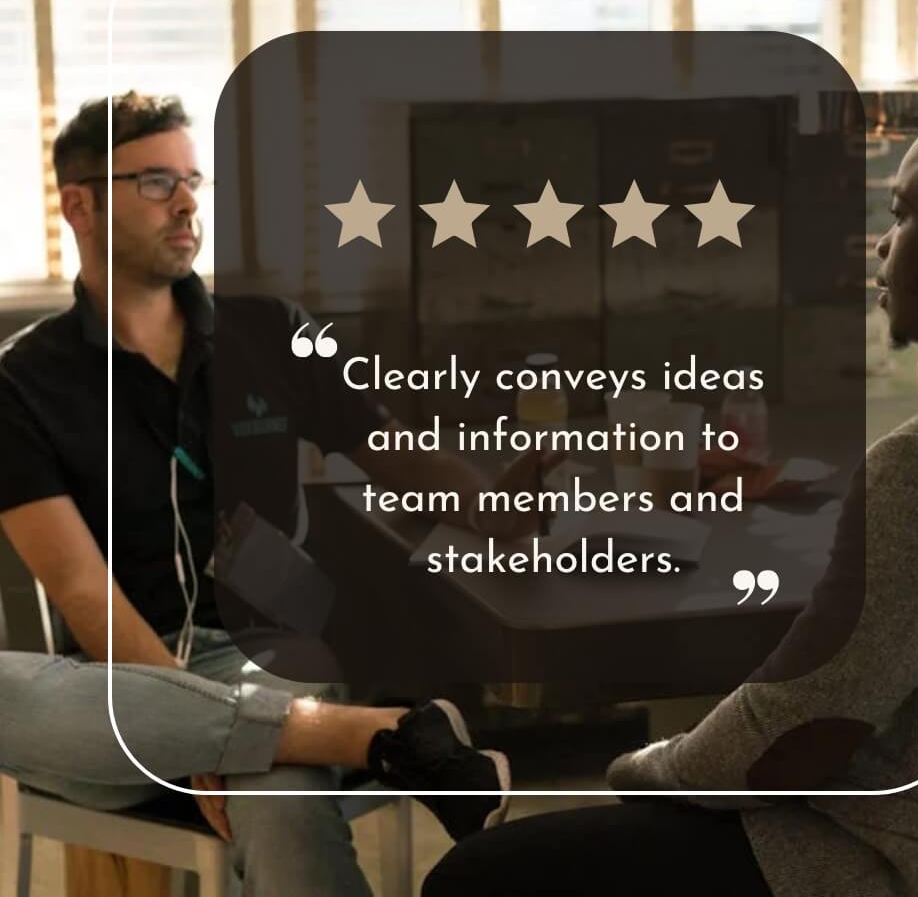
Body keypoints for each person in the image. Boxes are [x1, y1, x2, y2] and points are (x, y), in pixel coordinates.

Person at [422, 81, 918, 897]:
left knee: (477, 876)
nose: (881, 246)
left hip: (886, 861)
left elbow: (793, 736)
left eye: (904, 215)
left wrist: (637, 771)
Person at [0, 91, 554, 896]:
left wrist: (514, 501)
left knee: (274, 785)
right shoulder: (19, 384)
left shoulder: (270, 331)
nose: (188, 200)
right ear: (78, 203)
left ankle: (302, 736)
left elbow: (401, 460)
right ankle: (386, 737)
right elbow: (82, 588)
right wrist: (197, 733)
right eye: (156, 181)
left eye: (194, 180)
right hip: (115, 687)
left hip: (274, 656)